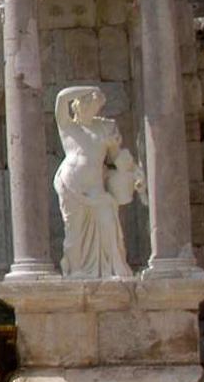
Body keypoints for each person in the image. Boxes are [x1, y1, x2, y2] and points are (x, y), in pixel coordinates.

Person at [53, 85, 144, 279]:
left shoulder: (105, 128)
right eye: (89, 103)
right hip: (72, 185)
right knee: (74, 231)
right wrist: (90, 88)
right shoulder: (68, 126)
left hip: (96, 187)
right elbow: (61, 98)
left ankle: (114, 269)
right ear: (79, 104)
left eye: (96, 104)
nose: (93, 108)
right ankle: (75, 271)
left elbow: (118, 158)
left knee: (109, 223)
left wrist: (135, 174)